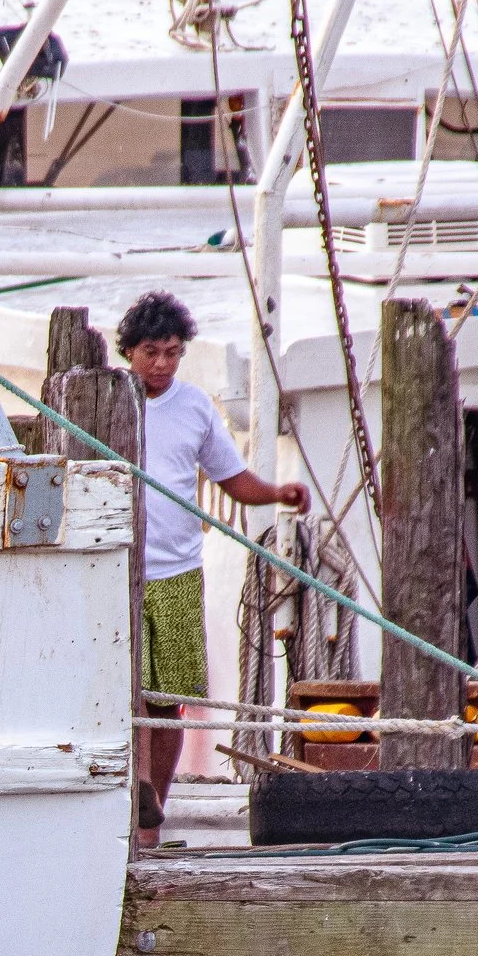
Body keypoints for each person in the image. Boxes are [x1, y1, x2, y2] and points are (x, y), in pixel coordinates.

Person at [117, 290, 310, 847]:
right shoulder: (108, 398)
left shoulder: (196, 406)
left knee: (168, 697)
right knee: (123, 694)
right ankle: (133, 795)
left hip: (176, 570)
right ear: (128, 351)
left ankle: (153, 814)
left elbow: (232, 478)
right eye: (151, 352)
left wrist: (276, 491)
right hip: (117, 570)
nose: (161, 364)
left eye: (172, 353)